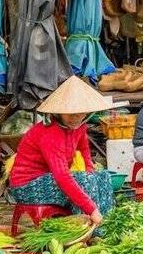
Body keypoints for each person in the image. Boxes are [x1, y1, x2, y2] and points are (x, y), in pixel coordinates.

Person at [8, 76, 115, 225]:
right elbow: (62, 176)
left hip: (49, 178)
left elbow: (83, 147)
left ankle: (107, 225)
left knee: (102, 176)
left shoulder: (79, 126)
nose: (76, 118)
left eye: (81, 113)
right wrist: (92, 209)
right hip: (26, 186)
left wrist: (90, 169)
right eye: (71, 114)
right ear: (59, 112)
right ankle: (88, 229)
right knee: (83, 181)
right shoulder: (51, 133)